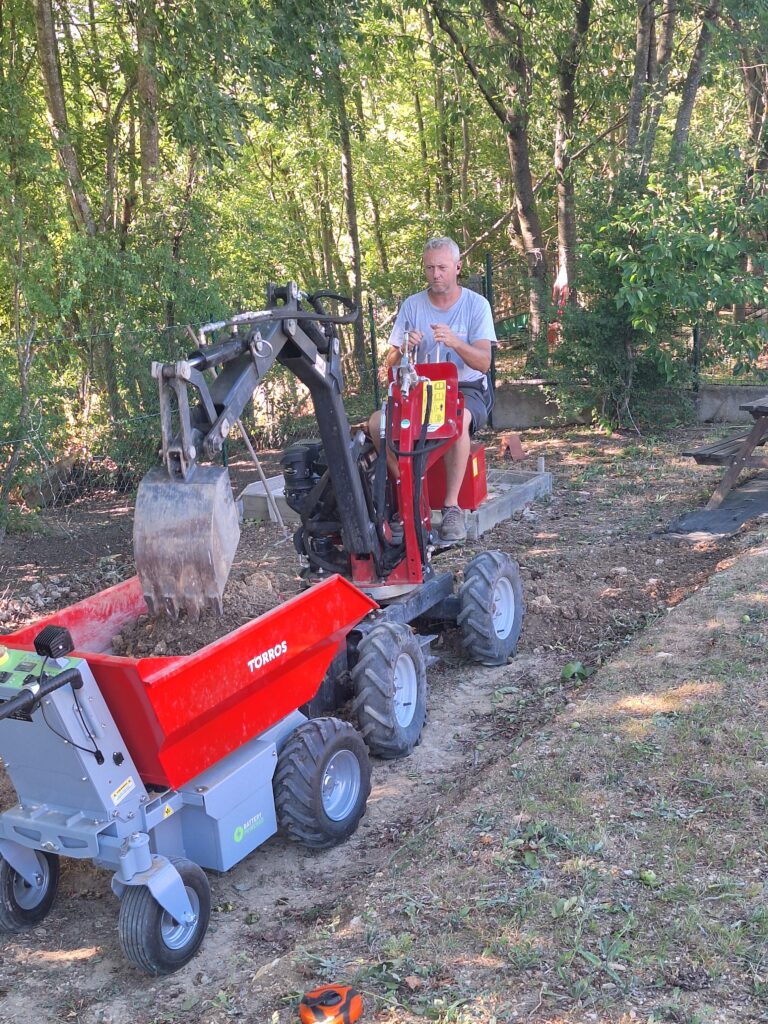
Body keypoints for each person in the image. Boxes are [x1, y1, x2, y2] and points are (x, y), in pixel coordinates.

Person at [369, 236, 496, 542]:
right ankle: (412, 497)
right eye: (430, 268)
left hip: (466, 387)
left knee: (457, 419)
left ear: (457, 267)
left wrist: (455, 342)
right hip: (420, 386)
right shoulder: (412, 305)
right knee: (376, 424)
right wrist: (403, 348)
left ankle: (451, 507)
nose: (436, 274)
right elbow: (390, 363)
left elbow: (484, 363)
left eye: (442, 267)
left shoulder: (476, 305)